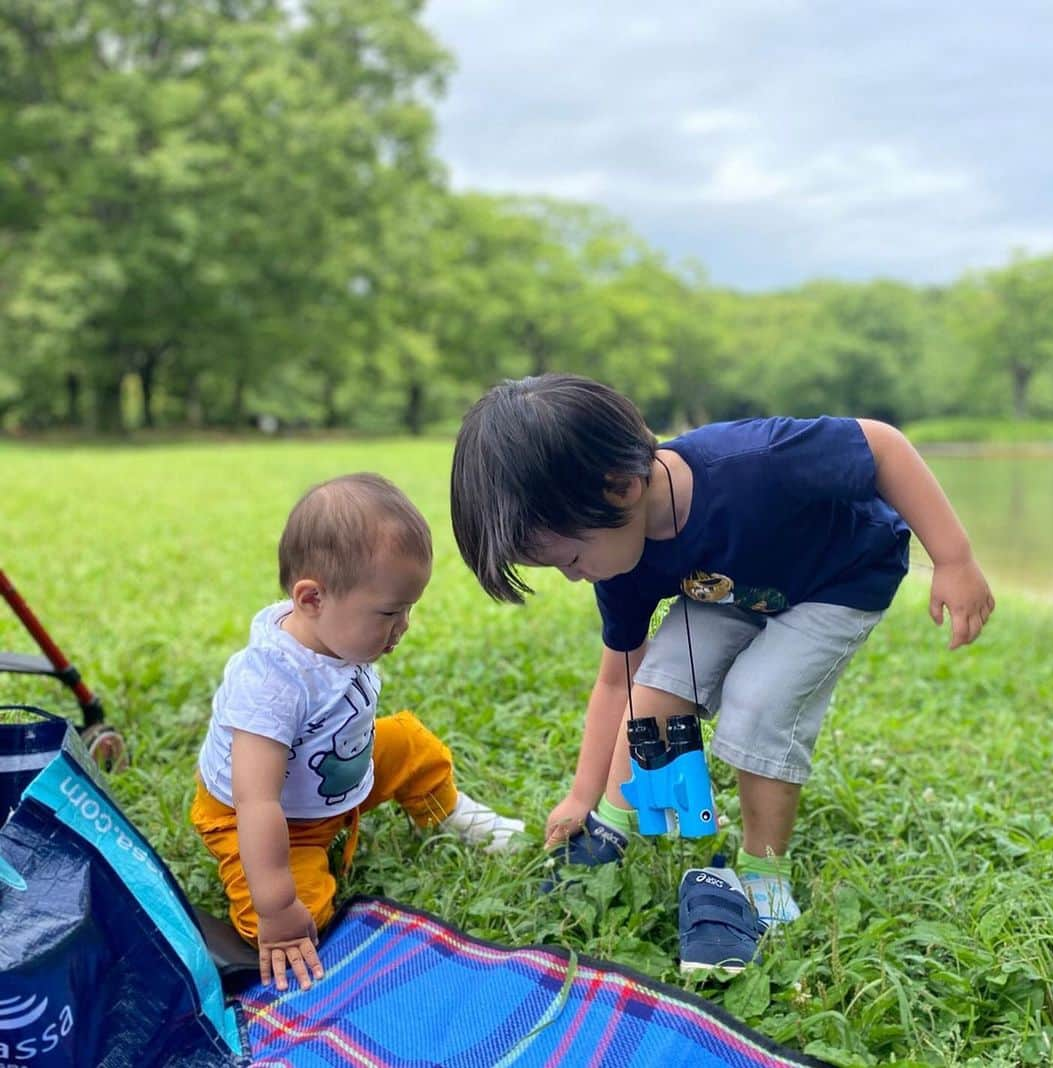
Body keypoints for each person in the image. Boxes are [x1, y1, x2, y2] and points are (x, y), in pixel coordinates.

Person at [450, 373, 994, 972]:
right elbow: (618, 680)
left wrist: (954, 558)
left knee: (758, 702)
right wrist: (584, 795)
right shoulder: (622, 563)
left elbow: (883, 446)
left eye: (571, 559)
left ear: (622, 487)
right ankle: (614, 824)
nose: (575, 577)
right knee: (660, 679)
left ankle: (765, 880)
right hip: (734, 591)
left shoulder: (754, 464)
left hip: (840, 578)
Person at [191, 473, 524, 991]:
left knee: (411, 744)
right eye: (390, 612)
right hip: (266, 817)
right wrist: (278, 909)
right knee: (299, 915)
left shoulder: (337, 633)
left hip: (340, 769)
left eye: (408, 608)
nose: (404, 626)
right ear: (311, 599)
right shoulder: (270, 683)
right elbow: (257, 802)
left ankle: (447, 811)